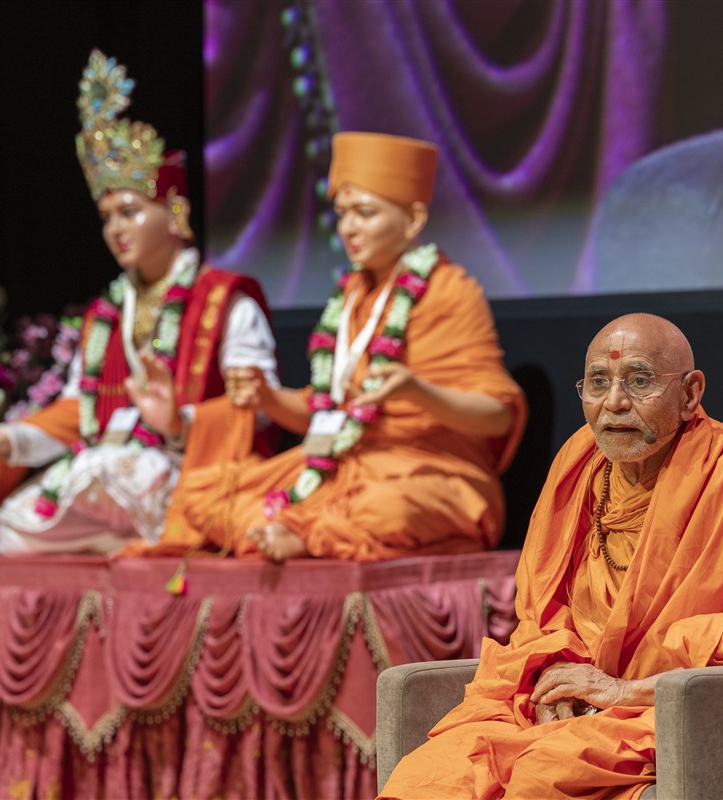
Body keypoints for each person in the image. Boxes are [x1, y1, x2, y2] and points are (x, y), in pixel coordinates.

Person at [380, 313, 723, 799]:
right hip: (572, 700)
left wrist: (627, 689)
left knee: (538, 777)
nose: (614, 403)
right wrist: (551, 676)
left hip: (661, 709)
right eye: (598, 382)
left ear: (690, 394)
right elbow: (540, 617)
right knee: (428, 778)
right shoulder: (580, 461)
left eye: (639, 381)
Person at [0, 50, 276, 558]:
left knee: (112, 472)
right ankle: (127, 541)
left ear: (173, 213)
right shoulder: (108, 313)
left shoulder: (224, 300)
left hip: (193, 473)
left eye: (129, 211)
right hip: (106, 475)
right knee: (13, 533)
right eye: (106, 217)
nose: (116, 229)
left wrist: (178, 423)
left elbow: (261, 411)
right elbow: (79, 412)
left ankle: (154, 536)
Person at [155, 132, 527, 560]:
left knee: (385, 510)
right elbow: (323, 411)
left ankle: (305, 536)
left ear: (413, 220)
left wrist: (415, 391)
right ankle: (300, 531)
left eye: (365, 213)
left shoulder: (451, 292)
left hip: (430, 471)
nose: (348, 227)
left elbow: (497, 417)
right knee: (204, 492)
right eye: (342, 212)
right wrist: (268, 398)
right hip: (340, 464)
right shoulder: (347, 297)